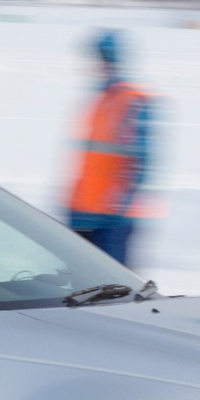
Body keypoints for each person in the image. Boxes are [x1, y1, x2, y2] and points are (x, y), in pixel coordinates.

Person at [67, 29, 156, 265]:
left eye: (100, 59)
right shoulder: (102, 99)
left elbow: (142, 159)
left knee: (114, 291)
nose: (95, 66)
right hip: (83, 212)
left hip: (112, 218)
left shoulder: (131, 101)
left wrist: (120, 204)